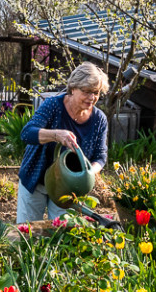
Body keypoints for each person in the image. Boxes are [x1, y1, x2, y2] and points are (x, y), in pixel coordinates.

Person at [16, 62, 108, 224]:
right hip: (35, 180)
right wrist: (56, 135)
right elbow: (27, 133)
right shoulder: (53, 106)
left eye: (96, 92)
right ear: (73, 88)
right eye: (86, 91)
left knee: (63, 234)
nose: (92, 98)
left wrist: (89, 173)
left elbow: (100, 156)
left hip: (68, 187)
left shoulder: (99, 119)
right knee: (27, 233)